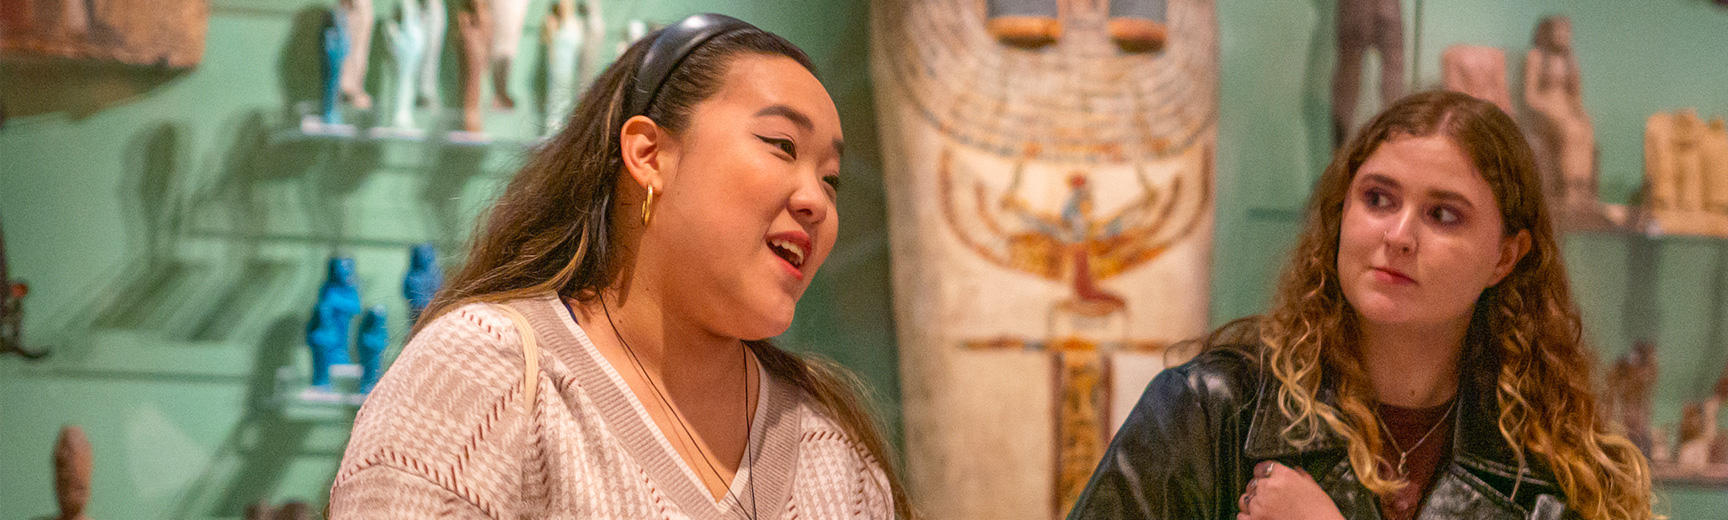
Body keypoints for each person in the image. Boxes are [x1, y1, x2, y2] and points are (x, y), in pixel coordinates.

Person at [329, 14, 908, 519]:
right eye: (781, 145)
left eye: (831, 179)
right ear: (649, 154)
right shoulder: (489, 373)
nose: (816, 201)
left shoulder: (832, 449)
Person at [1066, 91, 1652, 520]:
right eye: (1378, 198)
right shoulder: (1210, 412)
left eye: (1443, 214)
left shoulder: (1557, 472)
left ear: (1505, 257)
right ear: (1343, 213)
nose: (1398, 235)